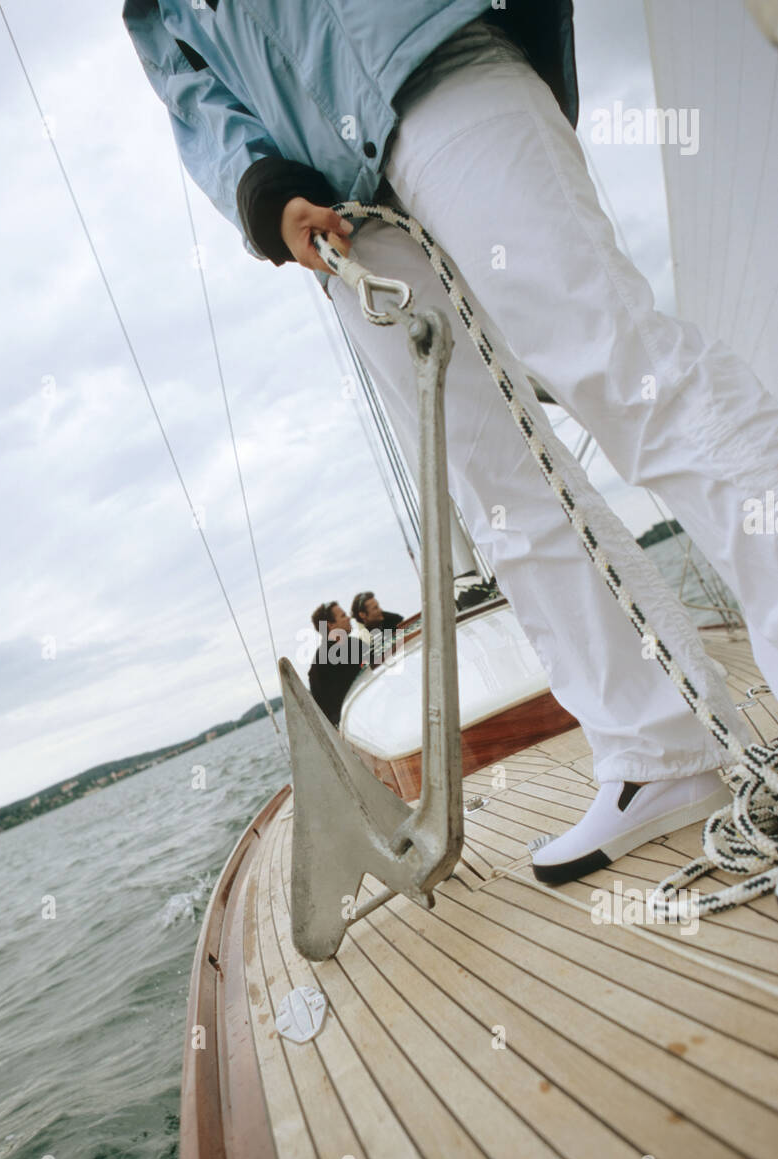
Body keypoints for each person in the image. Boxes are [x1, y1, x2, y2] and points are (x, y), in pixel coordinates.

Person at [123, 2, 778, 885]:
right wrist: (263, 192)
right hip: (327, 197)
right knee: (489, 482)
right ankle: (657, 750)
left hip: (430, 63)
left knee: (618, 363)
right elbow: (192, 95)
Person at [307, 601, 366, 727]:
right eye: (343, 616)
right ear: (331, 625)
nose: (349, 618)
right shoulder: (350, 647)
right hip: (359, 721)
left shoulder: (318, 663)